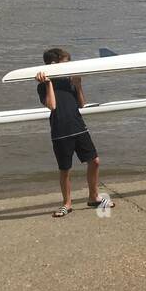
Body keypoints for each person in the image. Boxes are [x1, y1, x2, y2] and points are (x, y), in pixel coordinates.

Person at [35, 47, 109, 218]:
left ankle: (93, 197)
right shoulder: (42, 86)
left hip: (78, 126)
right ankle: (67, 204)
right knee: (65, 169)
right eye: (66, 61)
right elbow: (52, 105)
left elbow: (81, 104)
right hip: (60, 131)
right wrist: (48, 83)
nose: (69, 64)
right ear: (54, 64)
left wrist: (78, 85)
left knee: (95, 161)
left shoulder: (69, 81)